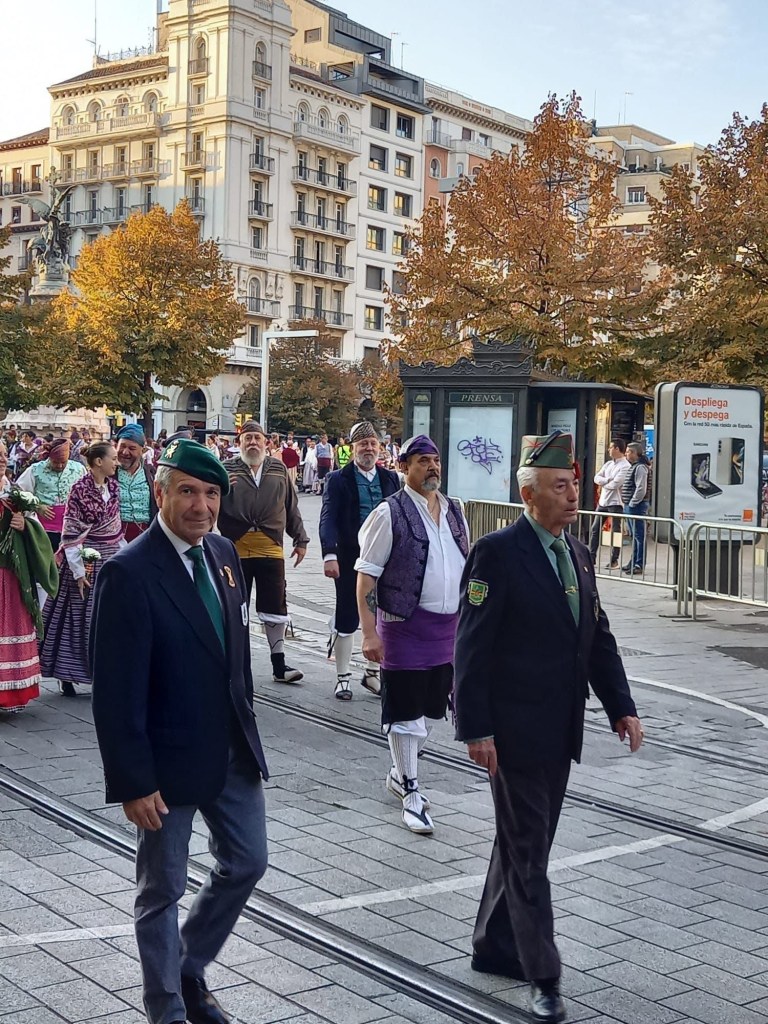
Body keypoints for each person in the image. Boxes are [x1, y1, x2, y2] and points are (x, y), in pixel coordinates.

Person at [453, 431, 643, 1024]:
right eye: (560, 486)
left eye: (574, 485)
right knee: (529, 852)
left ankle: (493, 944)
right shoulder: (497, 553)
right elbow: (471, 647)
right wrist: (476, 728)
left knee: (520, 842)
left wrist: (621, 706)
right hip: (511, 731)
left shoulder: (577, 553)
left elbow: (597, 636)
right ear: (528, 495)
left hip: (559, 730)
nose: (572, 495)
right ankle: (543, 975)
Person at [90, 439, 268, 1024]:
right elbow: (115, 691)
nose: (201, 505)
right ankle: (166, 1008)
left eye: (212, 494)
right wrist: (133, 780)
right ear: (160, 492)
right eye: (188, 491)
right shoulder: (128, 572)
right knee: (161, 889)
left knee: (248, 861)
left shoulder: (223, 553)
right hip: (165, 765)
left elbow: (232, 655)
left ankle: (187, 968)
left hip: (231, 750)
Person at [356, 435, 469, 834]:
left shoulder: (455, 510)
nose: (432, 467)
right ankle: (411, 791)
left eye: (435, 460)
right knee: (406, 715)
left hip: (447, 630)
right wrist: (369, 634)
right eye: (422, 461)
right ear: (404, 467)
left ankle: (399, 772)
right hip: (404, 629)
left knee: (432, 710)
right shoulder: (389, 513)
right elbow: (366, 577)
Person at [218, 420, 309, 684]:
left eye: (257, 438)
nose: (253, 443)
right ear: (239, 443)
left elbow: (291, 506)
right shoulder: (226, 469)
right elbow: (211, 502)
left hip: (270, 546)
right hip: (235, 547)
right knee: (235, 606)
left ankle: (279, 665)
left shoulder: (278, 469)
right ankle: (234, 664)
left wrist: (301, 539)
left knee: (275, 605)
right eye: (247, 438)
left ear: (266, 442)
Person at [320, 421, 400, 701]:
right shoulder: (338, 479)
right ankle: (343, 677)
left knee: (382, 613)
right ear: (353, 448)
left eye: (372, 443)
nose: (368, 448)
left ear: (379, 447)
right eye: (363, 444)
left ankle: (372, 672)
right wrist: (330, 554)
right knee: (347, 613)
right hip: (350, 556)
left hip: (385, 556)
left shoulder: (390, 478)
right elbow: (328, 517)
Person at [39, 442, 123, 698]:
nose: (116, 463)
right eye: (113, 458)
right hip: (85, 558)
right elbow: (71, 531)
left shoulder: (113, 488)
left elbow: (116, 529)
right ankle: (67, 674)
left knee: (109, 620)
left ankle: (105, 672)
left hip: (111, 557)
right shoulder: (80, 489)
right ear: (98, 462)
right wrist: (78, 571)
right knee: (77, 620)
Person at [0, 443, 58, 713]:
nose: (2, 460)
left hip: (11, 576)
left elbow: (33, 523)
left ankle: (11, 692)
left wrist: (25, 525)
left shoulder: (13, 493)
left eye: (3, 455)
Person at [16, 437, 87, 551]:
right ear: (49, 457)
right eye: (55, 462)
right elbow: (18, 492)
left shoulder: (79, 469)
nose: (59, 466)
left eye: (63, 462)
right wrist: (36, 506)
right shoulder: (35, 470)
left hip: (72, 528)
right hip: (43, 529)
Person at [588, 439, 629, 569]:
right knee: (595, 529)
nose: (608, 450)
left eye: (611, 447)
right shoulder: (608, 464)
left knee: (615, 532)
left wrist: (604, 483)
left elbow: (616, 484)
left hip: (616, 502)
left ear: (617, 449)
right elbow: (596, 478)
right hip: (603, 501)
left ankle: (614, 559)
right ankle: (591, 557)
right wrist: (606, 480)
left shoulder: (625, 466)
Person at [115, 424, 158, 542]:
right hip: (114, 538)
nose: (125, 452)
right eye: (122, 446)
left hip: (146, 536)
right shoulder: (108, 474)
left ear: (142, 451)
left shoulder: (152, 474)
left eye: (132, 448)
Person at [621, 441, 651, 575]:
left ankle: (639, 563)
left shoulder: (640, 467)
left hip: (636, 506)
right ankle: (633, 562)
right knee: (635, 536)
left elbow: (641, 488)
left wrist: (633, 503)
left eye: (628, 451)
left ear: (634, 453)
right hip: (631, 505)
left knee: (639, 536)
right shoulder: (635, 466)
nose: (626, 454)